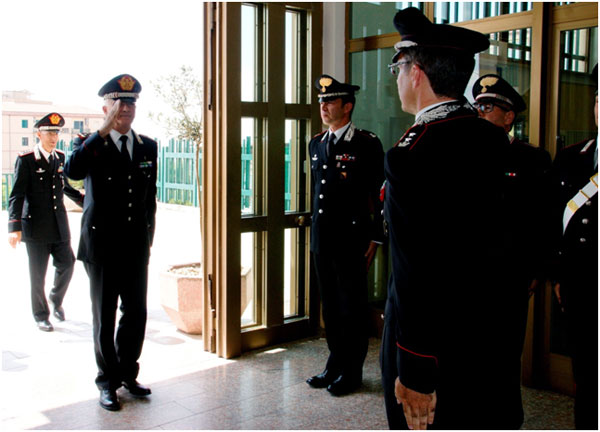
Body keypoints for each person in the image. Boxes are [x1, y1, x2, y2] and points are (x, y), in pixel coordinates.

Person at [380, 8, 523, 429]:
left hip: (435, 351)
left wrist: (417, 370)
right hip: (488, 342)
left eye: (398, 68)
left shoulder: (413, 153)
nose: (398, 79)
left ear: (417, 72)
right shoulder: (493, 139)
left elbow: (416, 272)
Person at [64, 74, 157, 411]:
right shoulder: (89, 144)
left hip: (134, 245)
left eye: (131, 103)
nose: (125, 109)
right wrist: (101, 130)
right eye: (118, 103)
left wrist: (149, 239)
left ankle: (127, 373)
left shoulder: (147, 145)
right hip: (101, 247)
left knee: (136, 313)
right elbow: (72, 172)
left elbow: (150, 199)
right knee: (104, 316)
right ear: (105, 106)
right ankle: (107, 382)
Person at [307, 74, 384, 396]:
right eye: (322, 101)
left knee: (351, 308)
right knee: (331, 307)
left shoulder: (366, 144)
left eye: (331, 101)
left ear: (347, 106)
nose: (324, 106)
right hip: (323, 239)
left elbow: (379, 193)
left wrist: (376, 238)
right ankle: (334, 364)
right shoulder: (316, 143)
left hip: (351, 240)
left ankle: (352, 372)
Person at [472, 74, 552, 355]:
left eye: (487, 108)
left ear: (509, 117)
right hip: (467, 269)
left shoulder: (532, 159)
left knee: (504, 351)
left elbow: (542, 218)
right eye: (477, 107)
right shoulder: (463, 157)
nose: (479, 114)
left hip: (509, 270)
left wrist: (538, 268)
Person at [548, 65, 597, 429]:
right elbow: (554, 224)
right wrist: (557, 275)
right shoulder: (571, 158)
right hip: (581, 289)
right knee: (586, 373)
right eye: (599, 100)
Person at [8, 112, 83, 332]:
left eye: (56, 132)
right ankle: (41, 315)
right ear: (39, 133)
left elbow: (65, 187)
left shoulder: (59, 157)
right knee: (37, 275)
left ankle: (55, 298)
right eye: (49, 132)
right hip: (36, 227)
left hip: (59, 225)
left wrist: (84, 199)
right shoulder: (26, 160)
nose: (53, 137)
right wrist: (14, 227)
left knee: (68, 263)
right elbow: (16, 195)